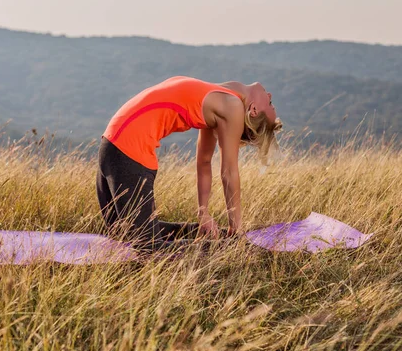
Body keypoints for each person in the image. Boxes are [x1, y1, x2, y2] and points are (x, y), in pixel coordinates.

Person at [96, 76, 282, 253]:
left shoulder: (229, 105)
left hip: (118, 148)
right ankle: (224, 243)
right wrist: (207, 215)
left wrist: (233, 227)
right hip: (120, 148)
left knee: (135, 239)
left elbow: (222, 169)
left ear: (254, 110)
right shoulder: (222, 98)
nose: (270, 96)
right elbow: (212, 165)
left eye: (270, 104)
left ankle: (225, 243)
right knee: (137, 240)